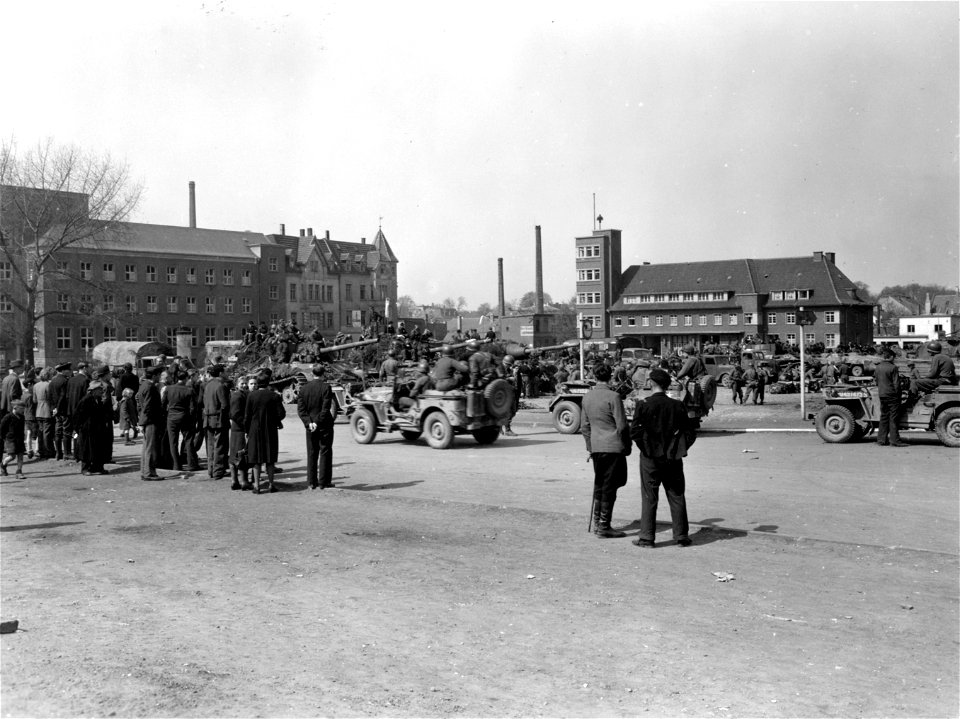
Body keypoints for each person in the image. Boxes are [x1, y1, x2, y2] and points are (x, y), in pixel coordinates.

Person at [630, 368, 697, 548]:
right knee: (676, 495)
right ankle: (681, 536)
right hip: (673, 458)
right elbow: (690, 432)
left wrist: (646, 447)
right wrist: (679, 449)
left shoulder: (643, 404)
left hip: (650, 458)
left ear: (651, 383)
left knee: (649, 496)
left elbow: (635, 431)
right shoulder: (677, 405)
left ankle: (647, 538)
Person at [581, 364, 632, 539]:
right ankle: (604, 526)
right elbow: (622, 426)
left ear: (594, 376)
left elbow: (584, 427)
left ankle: (598, 523)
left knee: (600, 484)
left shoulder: (587, 397)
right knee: (611, 486)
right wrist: (627, 446)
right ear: (610, 377)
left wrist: (590, 446)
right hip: (613, 447)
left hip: (597, 448)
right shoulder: (614, 396)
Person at [244, 373, 286, 494]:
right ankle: (271, 484)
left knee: (256, 459)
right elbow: (281, 413)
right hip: (270, 430)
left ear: (258, 383)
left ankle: (256, 486)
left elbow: (247, 416)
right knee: (270, 458)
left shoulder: (251, 396)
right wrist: (275, 420)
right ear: (268, 383)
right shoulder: (274, 396)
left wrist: (247, 431)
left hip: (254, 430)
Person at [297, 364, 335, 490]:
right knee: (325, 451)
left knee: (312, 452)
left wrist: (309, 423)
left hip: (311, 426)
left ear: (312, 374)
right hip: (324, 425)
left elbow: (301, 410)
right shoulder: (326, 387)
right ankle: (324, 482)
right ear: (323, 374)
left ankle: (312, 482)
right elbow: (325, 409)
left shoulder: (304, 389)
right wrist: (318, 422)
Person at [74, 381, 113, 475]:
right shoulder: (86, 400)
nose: (101, 392)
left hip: (97, 429)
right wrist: (77, 428)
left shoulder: (98, 399)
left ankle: (97, 467)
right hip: (87, 429)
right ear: (94, 390)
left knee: (98, 449)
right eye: (100, 390)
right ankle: (85, 468)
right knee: (86, 449)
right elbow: (78, 416)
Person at [163, 371, 199, 474]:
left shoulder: (169, 389)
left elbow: (163, 404)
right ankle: (191, 464)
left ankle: (176, 465)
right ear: (186, 378)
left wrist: (167, 415)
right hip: (185, 417)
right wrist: (193, 420)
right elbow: (193, 408)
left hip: (172, 417)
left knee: (173, 442)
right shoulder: (189, 390)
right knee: (188, 440)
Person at [874, 348, 907, 447]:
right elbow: (896, 384)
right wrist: (900, 395)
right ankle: (895, 440)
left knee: (884, 416)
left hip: (882, 394)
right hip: (892, 395)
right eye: (894, 357)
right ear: (891, 357)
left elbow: (876, 381)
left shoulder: (878, 367)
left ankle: (881, 440)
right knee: (893, 418)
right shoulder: (893, 368)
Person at [202, 364, 230, 479]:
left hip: (208, 419)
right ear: (220, 373)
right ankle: (218, 471)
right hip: (219, 420)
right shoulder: (221, 386)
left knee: (210, 445)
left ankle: (211, 470)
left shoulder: (208, 385)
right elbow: (225, 405)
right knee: (220, 446)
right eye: (225, 372)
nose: (226, 374)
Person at [137, 367, 164, 480]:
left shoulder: (143, 385)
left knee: (146, 447)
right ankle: (148, 472)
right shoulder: (150, 387)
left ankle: (145, 471)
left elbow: (140, 403)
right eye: (158, 375)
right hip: (151, 420)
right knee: (150, 448)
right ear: (154, 376)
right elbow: (148, 406)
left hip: (146, 419)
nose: (159, 377)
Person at [228, 376, 253, 491]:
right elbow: (235, 414)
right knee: (241, 454)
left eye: (245, 383)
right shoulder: (237, 396)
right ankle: (243, 481)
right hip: (239, 429)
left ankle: (235, 481)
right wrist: (246, 425)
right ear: (237, 384)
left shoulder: (242, 394)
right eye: (242, 383)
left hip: (237, 429)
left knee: (235, 455)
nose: (244, 385)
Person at [0, 400, 26, 478]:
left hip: (20, 439)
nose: (23, 410)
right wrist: (3, 437)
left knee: (20, 455)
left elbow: (22, 428)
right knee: (12, 456)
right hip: (10, 439)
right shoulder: (8, 417)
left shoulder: (22, 417)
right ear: (15, 408)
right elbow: (1, 428)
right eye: (21, 408)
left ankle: (19, 471)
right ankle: (3, 464)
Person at [33, 368, 54, 460]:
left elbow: (34, 400)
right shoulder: (48, 385)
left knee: (40, 432)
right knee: (47, 433)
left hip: (38, 411)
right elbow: (50, 398)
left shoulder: (36, 385)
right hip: (46, 410)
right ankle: (48, 451)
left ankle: (41, 450)